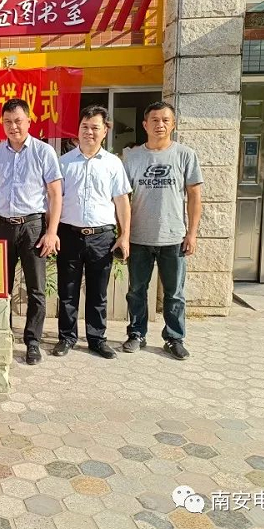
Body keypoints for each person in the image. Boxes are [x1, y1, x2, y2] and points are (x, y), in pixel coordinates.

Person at [0, 99, 63, 365]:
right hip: (3, 226)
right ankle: (1, 336)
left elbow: (55, 194)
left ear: (29, 121)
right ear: (2, 123)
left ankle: (32, 342)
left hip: (33, 226)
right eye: (8, 122)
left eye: (18, 121)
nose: (13, 126)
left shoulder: (43, 152)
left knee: (36, 288)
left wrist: (51, 231)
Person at [121, 101, 203, 360]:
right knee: (136, 290)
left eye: (166, 120)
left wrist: (192, 233)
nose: (160, 125)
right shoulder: (132, 157)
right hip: (139, 237)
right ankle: (137, 334)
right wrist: (123, 234)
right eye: (155, 120)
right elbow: (122, 199)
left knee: (174, 293)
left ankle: (174, 338)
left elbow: (194, 196)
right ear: (145, 125)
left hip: (173, 237)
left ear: (173, 124)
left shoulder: (185, 155)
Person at [54, 106, 131, 360]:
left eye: (95, 127)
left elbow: (122, 201)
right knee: (68, 290)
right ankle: (66, 337)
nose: (89, 132)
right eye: (84, 127)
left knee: (98, 292)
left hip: (102, 237)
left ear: (105, 131)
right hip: (69, 234)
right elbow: (54, 201)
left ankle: (97, 339)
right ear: (77, 130)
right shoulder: (64, 162)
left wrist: (124, 235)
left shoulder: (113, 163)